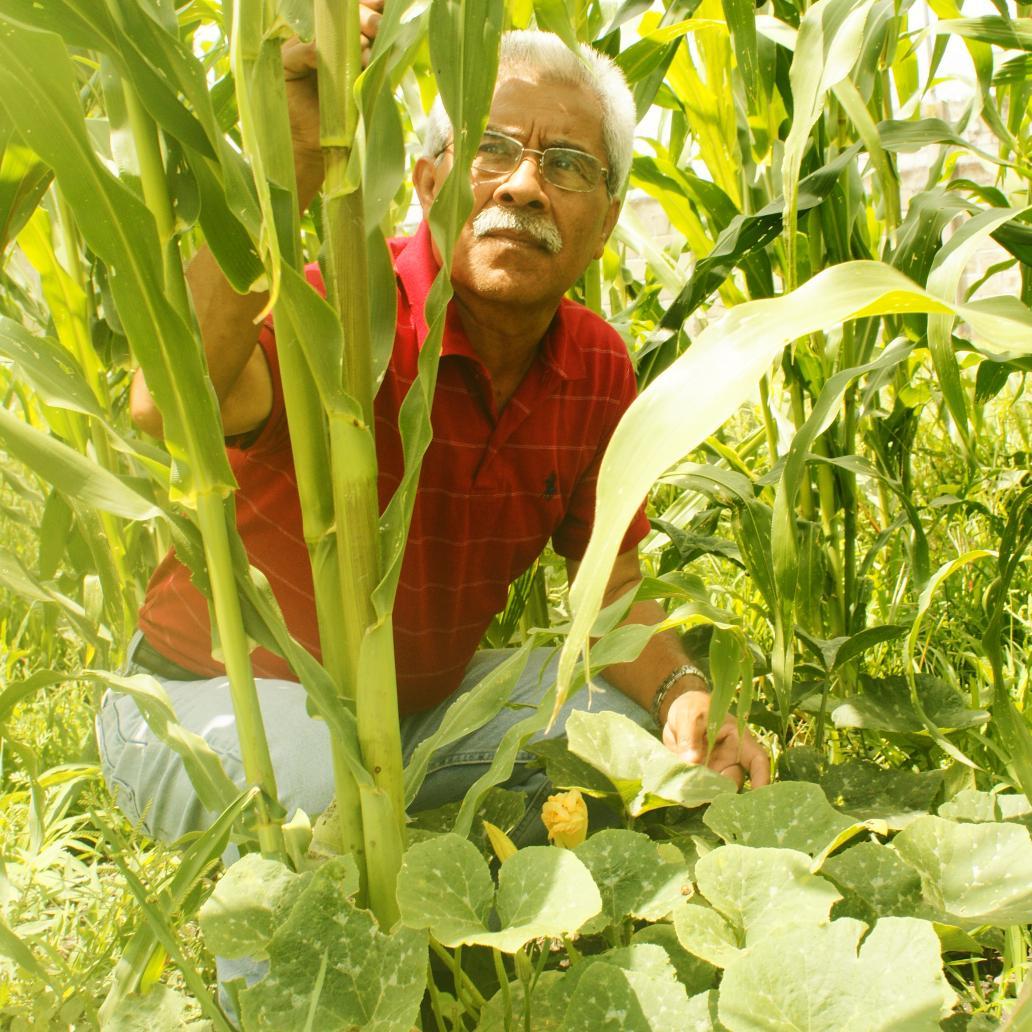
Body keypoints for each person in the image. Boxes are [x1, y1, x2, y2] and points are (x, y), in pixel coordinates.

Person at [96, 20, 769, 856]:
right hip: (205, 702)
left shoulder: (597, 367)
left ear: (605, 223)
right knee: (329, 801)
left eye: (566, 165)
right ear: (424, 180)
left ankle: (484, 917)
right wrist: (294, 152)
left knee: (628, 730)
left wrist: (681, 691)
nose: (524, 186)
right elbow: (169, 402)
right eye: (491, 149)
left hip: (416, 718)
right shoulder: (336, 312)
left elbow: (612, 586)